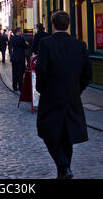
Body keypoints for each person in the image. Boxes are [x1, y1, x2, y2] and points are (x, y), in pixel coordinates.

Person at [35, 11, 91, 180]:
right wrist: (76, 89)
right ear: (68, 25)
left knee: (47, 133)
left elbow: (41, 70)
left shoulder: (46, 43)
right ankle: (64, 171)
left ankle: (63, 167)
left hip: (51, 97)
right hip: (72, 97)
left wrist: (42, 89)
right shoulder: (79, 45)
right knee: (67, 135)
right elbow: (87, 73)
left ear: (53, 25)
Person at [10, 28, 28, 92]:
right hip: (20, 58)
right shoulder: (21, 38)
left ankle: (14, 86)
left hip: (14, 57)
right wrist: (26, 43)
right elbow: (26, 46)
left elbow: (11, 47)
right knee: (20, 73)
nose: (21, 32)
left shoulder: (12, 38)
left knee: (14, 72)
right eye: (20, 31)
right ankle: (20, 86)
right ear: (18, 32)